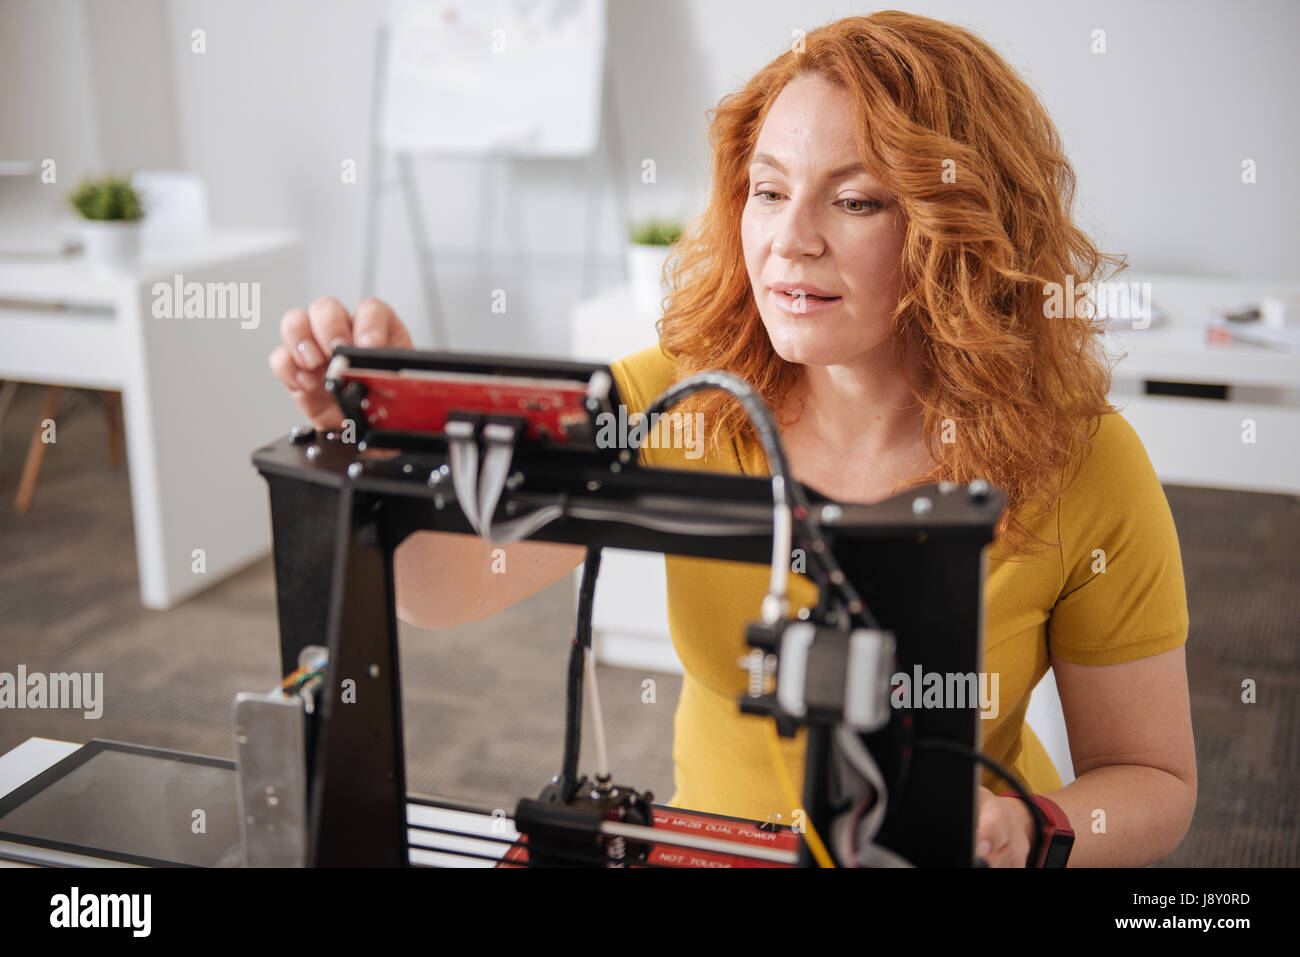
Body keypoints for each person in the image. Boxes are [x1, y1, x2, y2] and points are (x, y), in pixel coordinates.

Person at [268, 11, 1195, 867]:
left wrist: (1033, 826)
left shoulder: (1085, 462)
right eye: (768, 190)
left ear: (958, 230)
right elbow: (448, 588)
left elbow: (1154, 780)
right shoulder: (681, 396)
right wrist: (385, 439)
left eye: (856, 201)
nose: (790, 239)